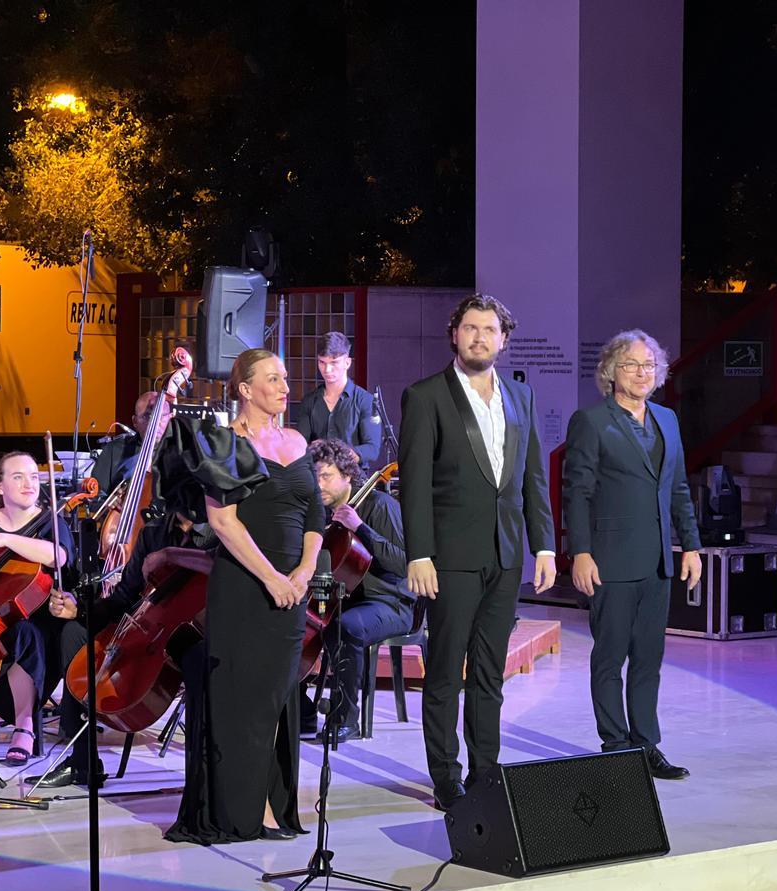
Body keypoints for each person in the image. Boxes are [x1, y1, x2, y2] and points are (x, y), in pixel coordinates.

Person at [398, 293, 556, 811]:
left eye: (489, 330)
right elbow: (415, 485)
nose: (479, 338)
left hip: (507, 554)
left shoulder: (519, 396)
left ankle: (486, 771)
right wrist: (419, 553)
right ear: (455, 334)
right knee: (445, 671)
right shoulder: (425, 396)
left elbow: (533, 477)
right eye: (470, 328)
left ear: (503, 340)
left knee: (490, 673)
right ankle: (446, 775)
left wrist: (545, 546)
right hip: (449, 556)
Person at [162, 348, 324, 844]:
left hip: (291, 593)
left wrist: (301, 573)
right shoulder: (223, 443)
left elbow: (316, 518)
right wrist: (273, 578)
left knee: (275, 700)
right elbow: (222, 523)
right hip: (245, 589)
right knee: (240, 702)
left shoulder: (297, 441)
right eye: (271, 378)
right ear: (245, 389)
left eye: (284, 376)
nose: (283, 385)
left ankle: (271, 804)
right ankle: (240, 811)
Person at [562, 329, 702, 781]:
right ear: (611, 371)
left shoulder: (667, 419)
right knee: (610, 658)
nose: (642, 373)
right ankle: (616, 747)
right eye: (632, 365)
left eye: (649, 366)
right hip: (610, 560)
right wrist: (580, 553)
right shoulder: (591, 420)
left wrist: (692, 546)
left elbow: (678, 489)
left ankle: (647, 745)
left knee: (649, 659)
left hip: (658, 560)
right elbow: (576, 493)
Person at [28, 509, 216, 789]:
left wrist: (171, 556)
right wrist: (80, 610)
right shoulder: (154, 532)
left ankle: (203, 781)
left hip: (199, 632)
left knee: (196, 656)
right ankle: (83, 762)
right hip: (151, 629)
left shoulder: (219, 530)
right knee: (74, 634)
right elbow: (125, 596)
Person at [0, 450, 74, 764]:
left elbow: (58, 556)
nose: (29, 484)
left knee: (25, 634)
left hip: (37, 617)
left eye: (34, 477)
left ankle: (24, 725)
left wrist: (7, 540)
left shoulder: (50, 521)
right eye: (18, 476)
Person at [303, 437, 415, 742]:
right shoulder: (324, 512)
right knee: (296, 620)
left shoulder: (380, 505)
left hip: (390, 602)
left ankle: (345, 720)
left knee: (345, 627)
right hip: (347, 598)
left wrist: (360, 528)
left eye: (326, 477)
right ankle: (302, 712)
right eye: (315, 477)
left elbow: (404, 563)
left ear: (347, 476)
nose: (319, 484)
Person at [295, 332, 381, 471]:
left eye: (334, 363)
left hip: (352, 478)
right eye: (322, 362)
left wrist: (330, 449)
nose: (327, 370)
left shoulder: (365, 400)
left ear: (347, 362)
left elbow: (372, 449)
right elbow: (300, 446)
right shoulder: (309, 401)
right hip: (318, 477)